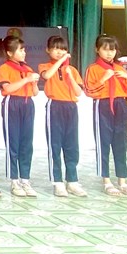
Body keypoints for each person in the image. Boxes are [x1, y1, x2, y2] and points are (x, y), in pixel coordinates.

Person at [84, 34, 127, 197]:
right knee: (104, 142)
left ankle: (122, 181)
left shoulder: (120, 68)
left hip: (120, 104)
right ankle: (106, 181)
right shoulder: (93, 69)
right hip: (103, 104)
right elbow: (89, 91)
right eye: (105, 50)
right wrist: (103, 79)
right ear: (97, 50)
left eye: (112, 50)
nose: (109, 54)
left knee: (121, 142)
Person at [39, 35, 87, 198]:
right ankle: (57, 182)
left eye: (63, 49)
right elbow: (46, 76)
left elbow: (78, 92)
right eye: (56, 49)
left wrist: (70, 76)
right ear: (48, 50)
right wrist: (60, 62)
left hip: (71, 107)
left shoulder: (72, 70)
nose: (60, 52)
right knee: (55, 145)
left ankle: (72, 180)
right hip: (55, 106)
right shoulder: (45, 66)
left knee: (72, 145)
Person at [0, 34, 40, 198]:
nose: (24, 53)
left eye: (24, 50)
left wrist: (33, 83)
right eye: (20, 50)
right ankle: (14, 180)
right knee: (13, 143)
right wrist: (26, 80)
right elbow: (7, 89)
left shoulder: (28, 69)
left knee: (27, 144)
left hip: (28, 104)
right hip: (12, 104)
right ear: (9, 53)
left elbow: (35, 93)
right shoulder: (4, 68)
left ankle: (25, 179)